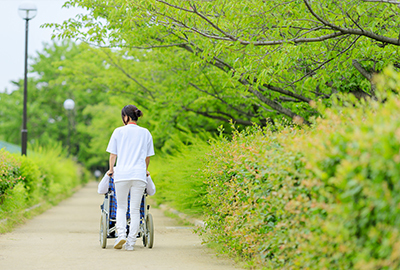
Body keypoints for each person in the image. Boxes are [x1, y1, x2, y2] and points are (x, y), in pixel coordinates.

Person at [106, 104, 155, 251]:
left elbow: (113, 155)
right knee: (134, 210)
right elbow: (147, 157)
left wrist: (110, 170)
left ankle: (121, 234)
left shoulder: (118, 132)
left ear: (126, 117)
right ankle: (131, 243)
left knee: (121, 207)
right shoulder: (146, 133)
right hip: (139, 175)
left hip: (122, 174)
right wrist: (144, 171)